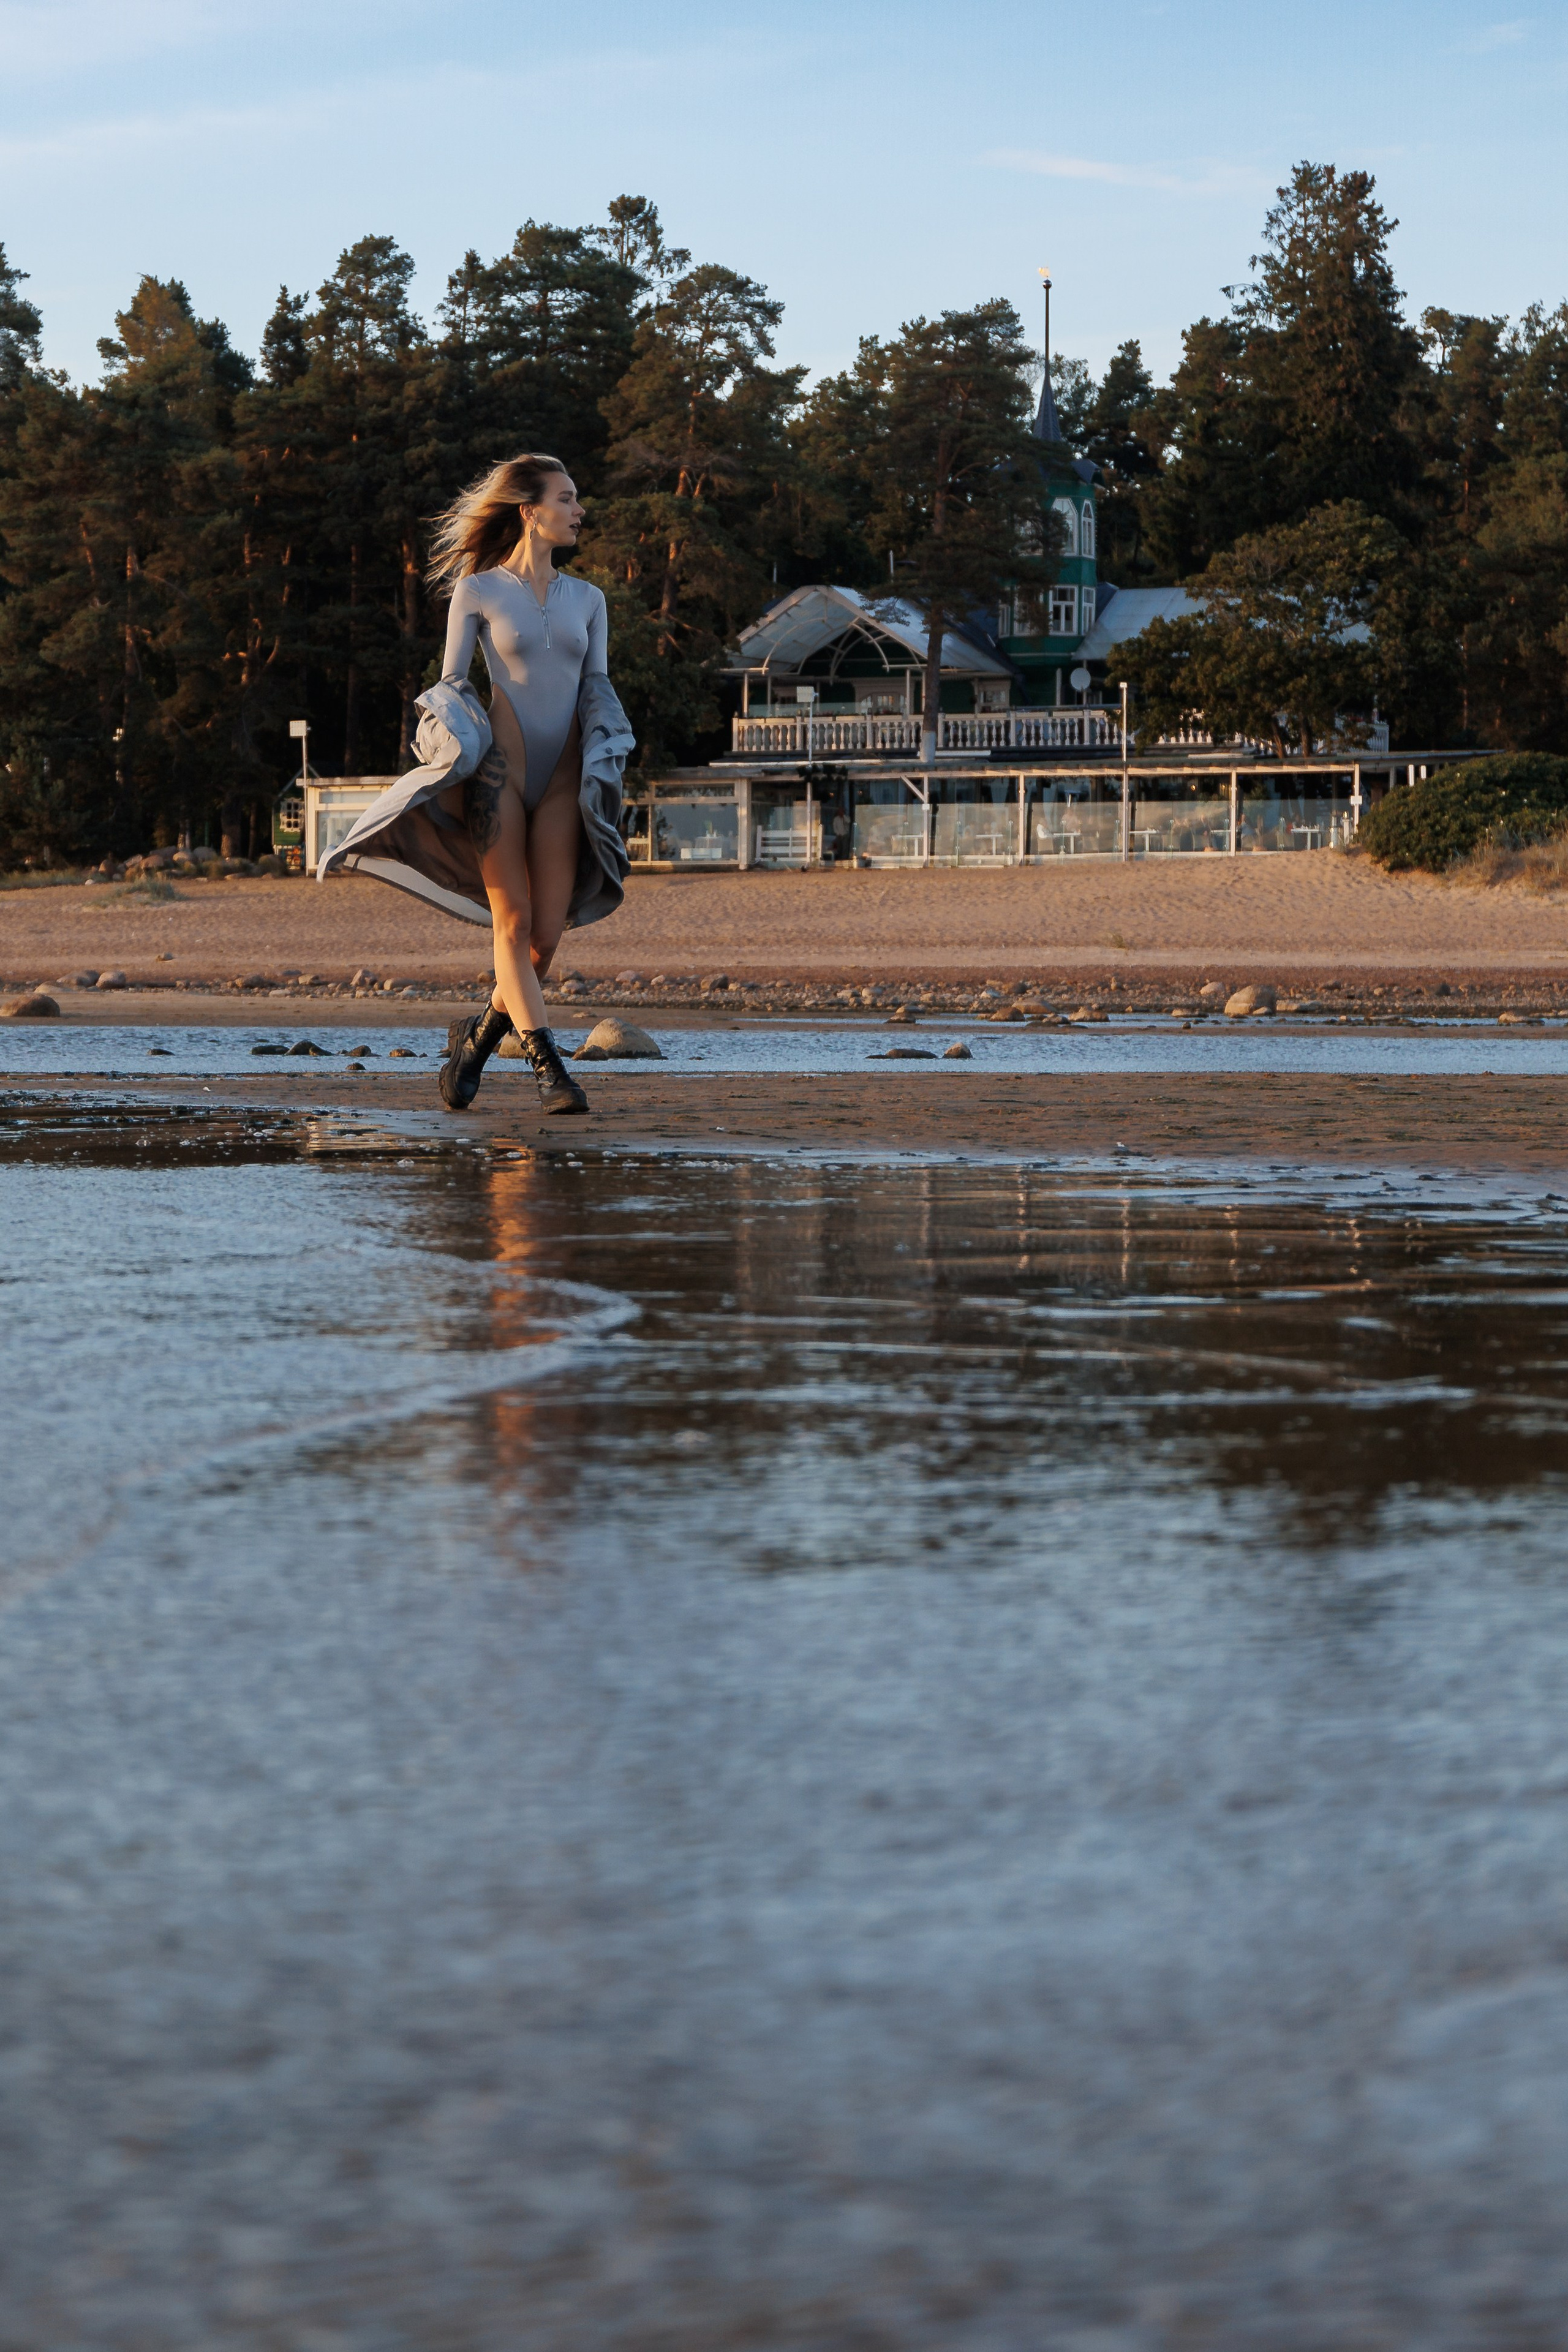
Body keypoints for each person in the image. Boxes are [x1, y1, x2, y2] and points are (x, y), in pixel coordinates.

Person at [316, 453, 633, 1115]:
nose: (579, 511)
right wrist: (446, 750)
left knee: (546, 937)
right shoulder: (479, 591)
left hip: (563, 781)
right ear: (530, 510)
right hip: (499, 775)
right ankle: (550, 1070)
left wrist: (611, 751)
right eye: (567, 498)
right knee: (512, 925)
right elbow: (452, 685)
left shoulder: (590, 600)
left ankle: (476, 1043)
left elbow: (597, 687)